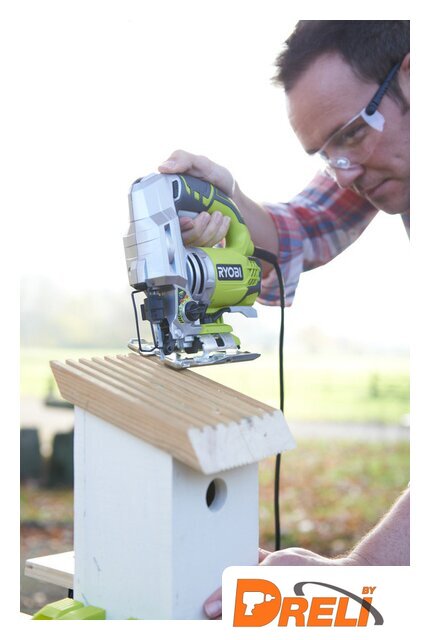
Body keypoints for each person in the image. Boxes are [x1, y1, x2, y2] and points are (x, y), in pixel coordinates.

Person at [159, 20, 410, 618]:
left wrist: (364, 576)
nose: (344, 172)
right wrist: (224, 198)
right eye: (326, 154)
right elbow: (299, 230)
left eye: (352, 134)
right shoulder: (375, 159)